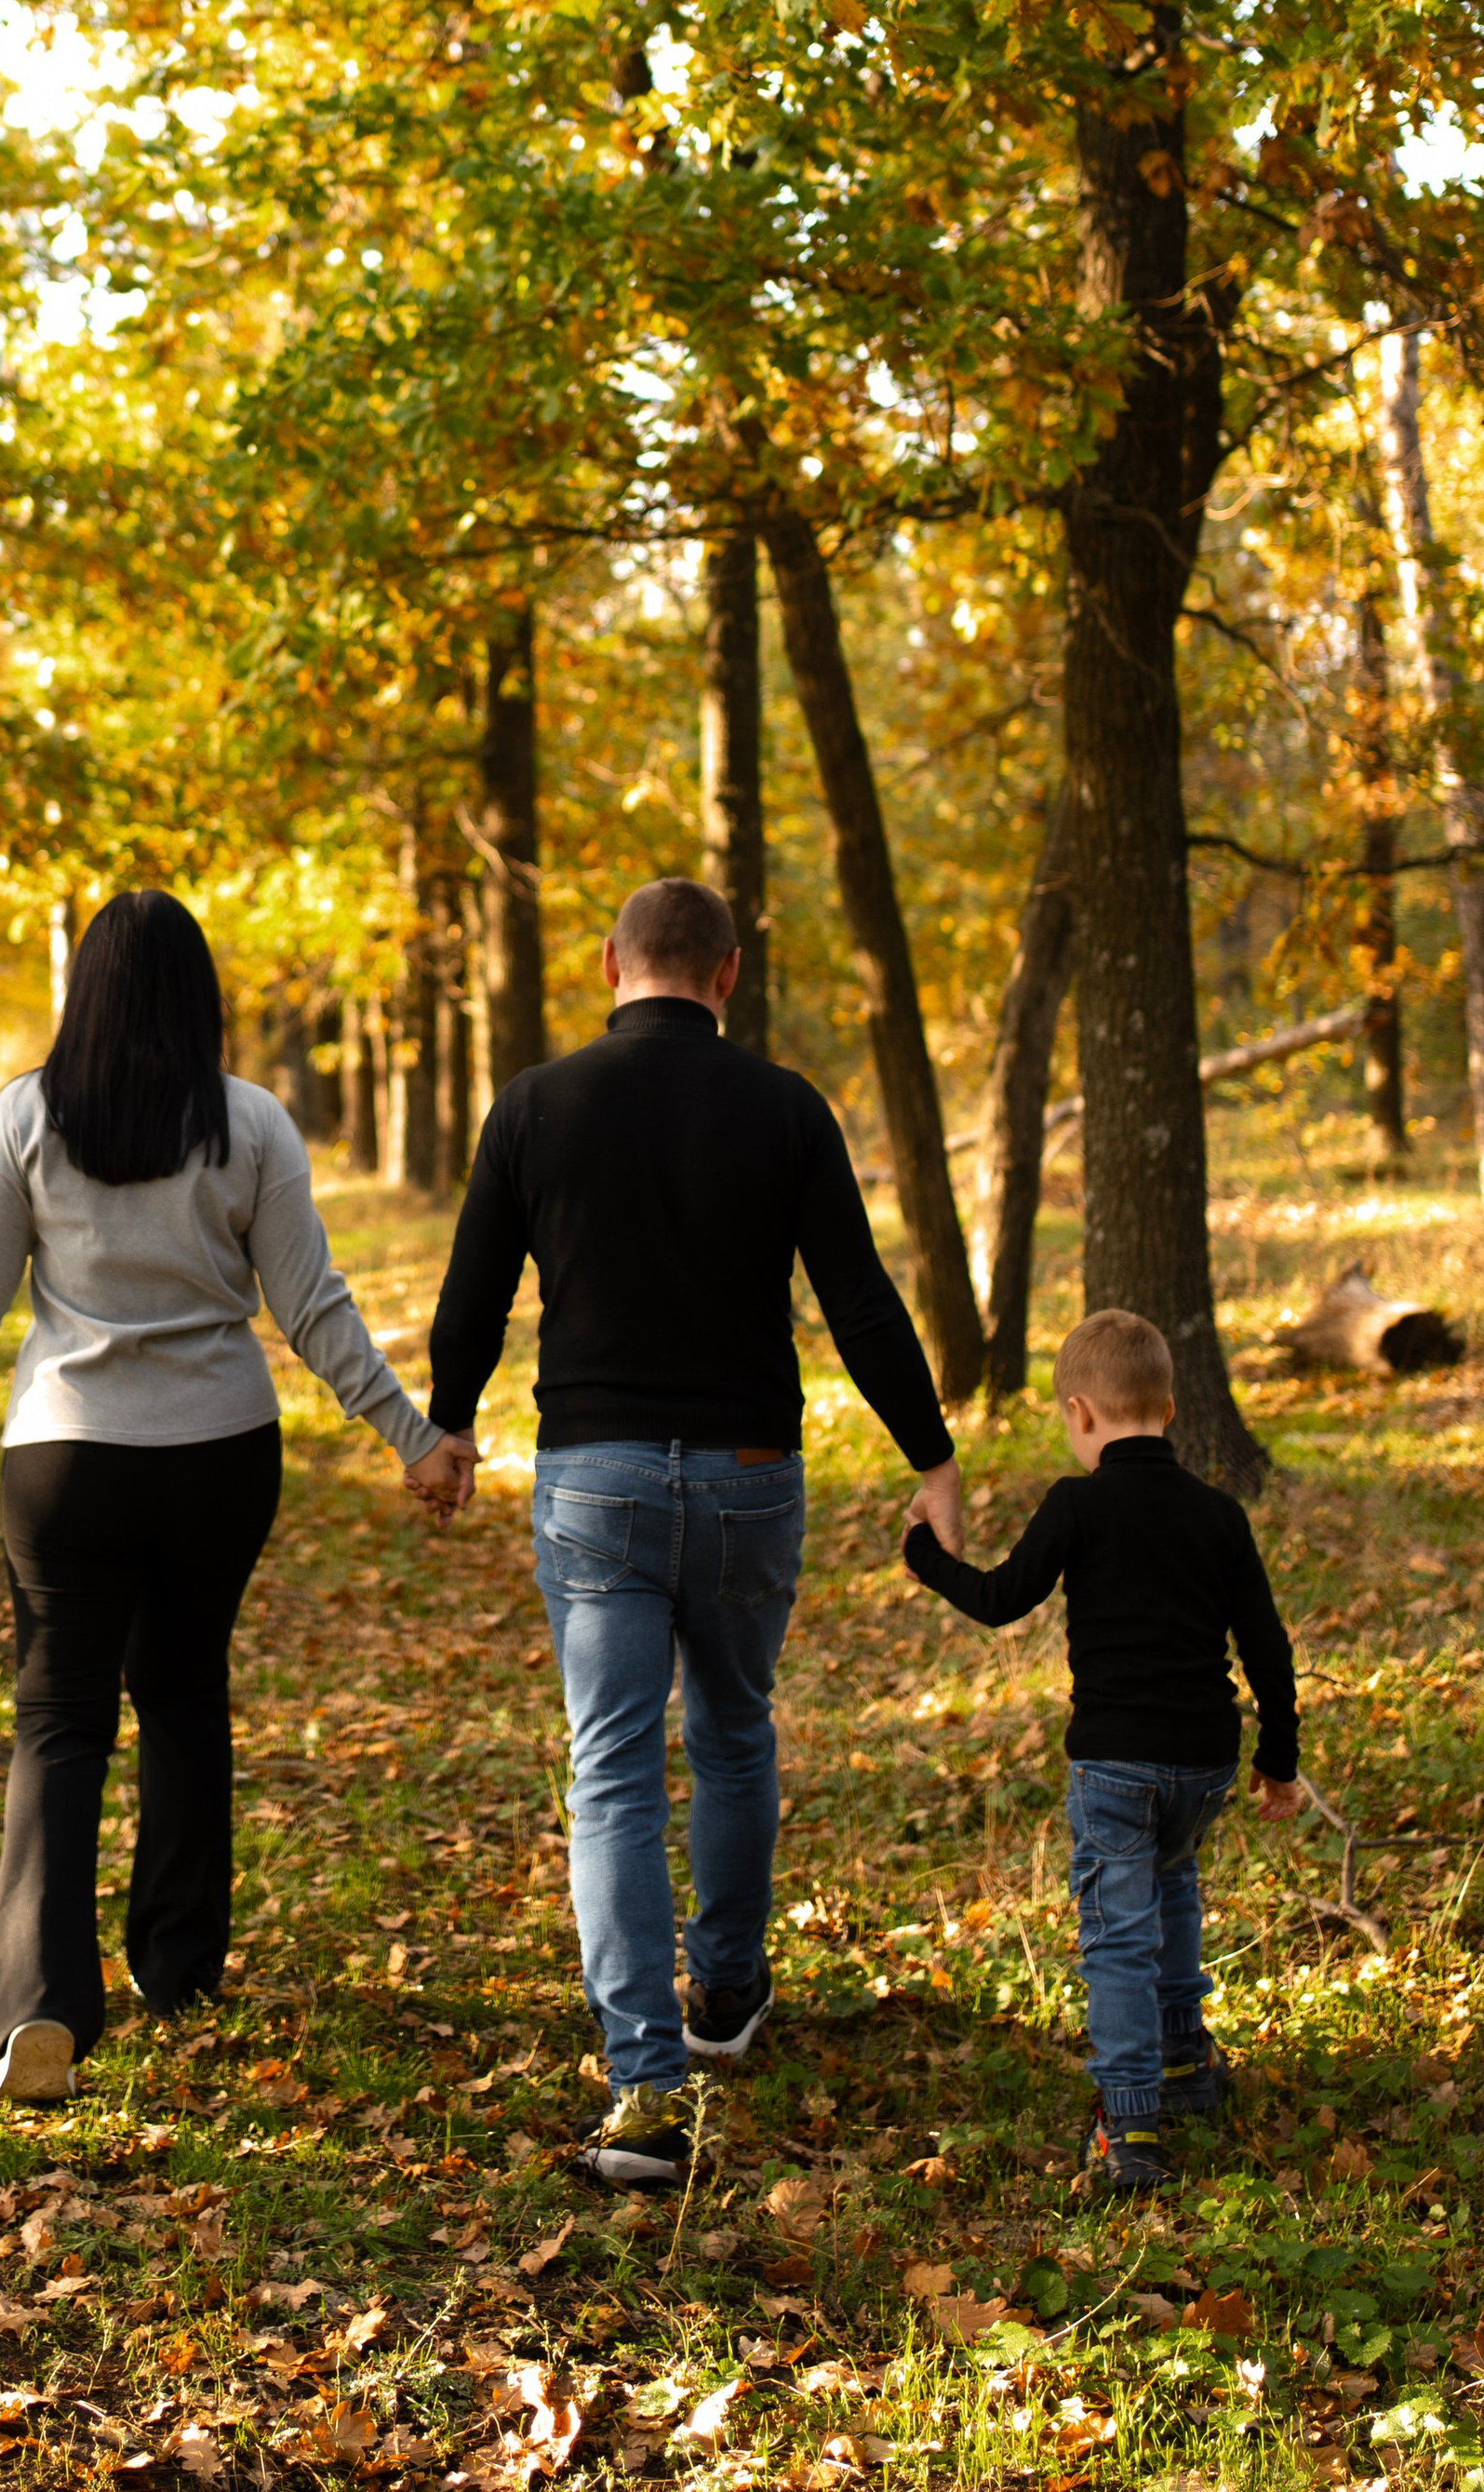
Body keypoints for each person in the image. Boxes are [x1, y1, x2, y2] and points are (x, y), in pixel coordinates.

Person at [0, 890, 461, 2105]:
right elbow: (310, 1304)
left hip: (67, 1463)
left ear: (84, 993)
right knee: (184, 1698)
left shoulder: (27, 1118)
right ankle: (177, 1971)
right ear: (200, 999)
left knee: (58, 1721)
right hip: (216, 1455)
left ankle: (39, 2003)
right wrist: (413, 1434)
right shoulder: (248, 1126)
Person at [424, 876, 966, 2188]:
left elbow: (476, 1293)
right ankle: (724, 1996)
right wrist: (931, 1455)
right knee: (733, 1731)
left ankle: (648, 2089)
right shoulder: (785, 1109)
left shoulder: (535, 1106)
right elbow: (859, 1298)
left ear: (611, 962)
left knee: (610, 1767)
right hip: (745, 1470)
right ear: (728, 974)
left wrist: (448, 1426)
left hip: (595, 1477)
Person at [901, 1306, 1302, 2195]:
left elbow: (1004, 1599)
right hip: (1204, 1762)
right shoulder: (1219, 1514)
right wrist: (1281, 1756)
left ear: (1081, 1414)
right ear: (1169, 1409)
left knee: (1118, 1934)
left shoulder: (1077, 1502)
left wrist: (927, 1558)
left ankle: (1130, 2125)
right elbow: (1267, 1646)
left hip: (1115, 1762)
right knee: (1173, 1888)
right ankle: (1184, 2063)